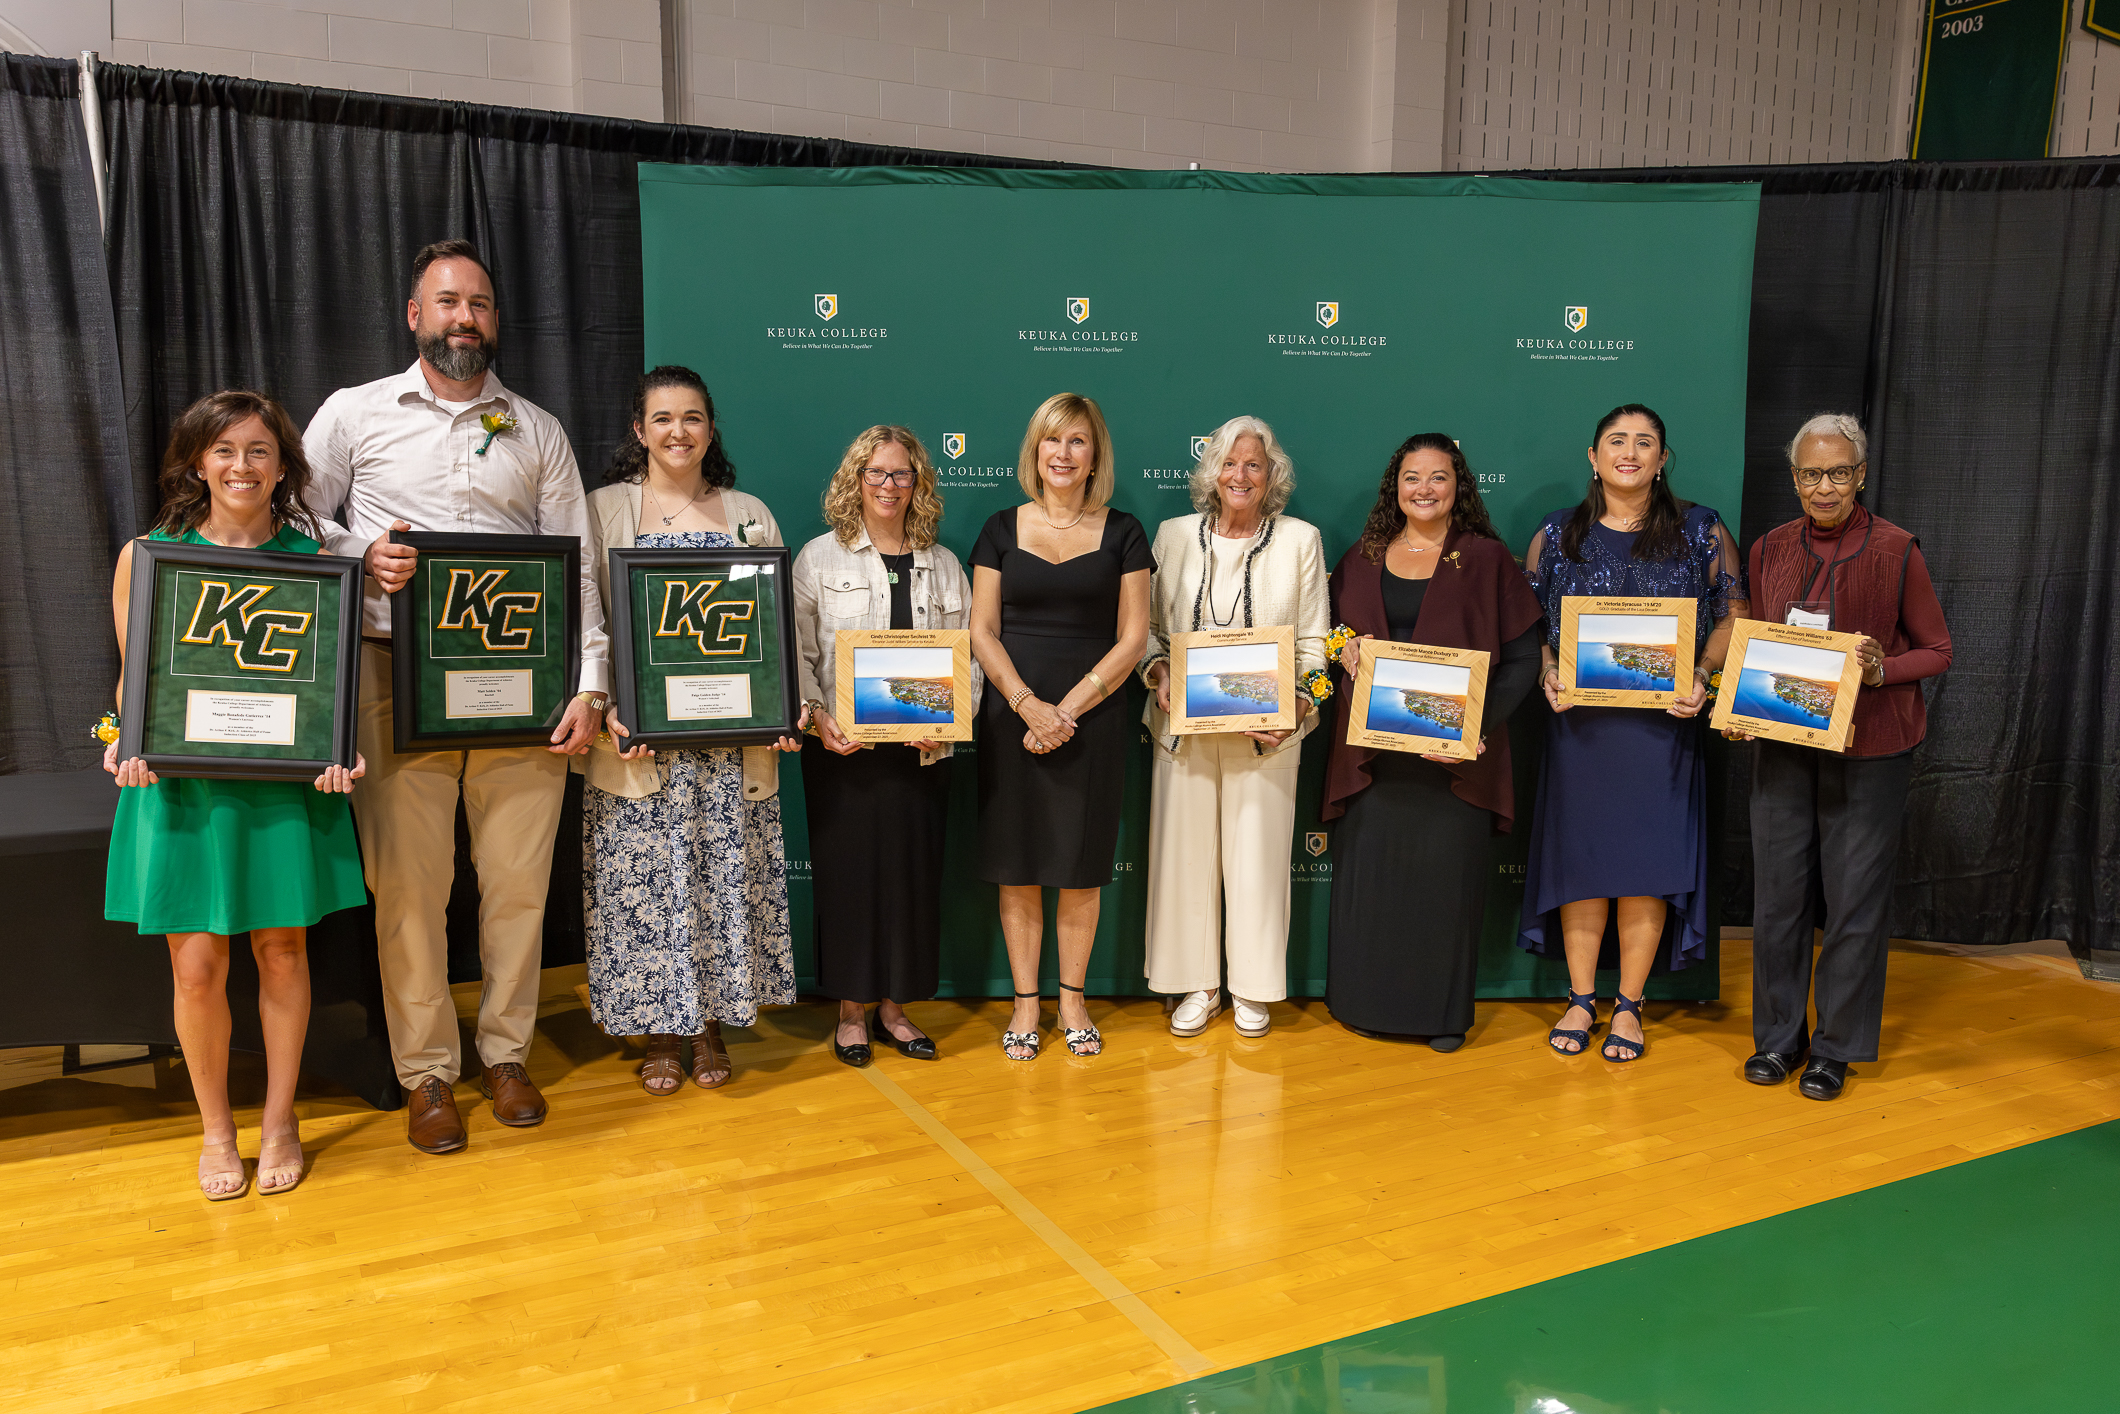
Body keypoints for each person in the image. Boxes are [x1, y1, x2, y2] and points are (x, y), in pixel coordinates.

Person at [301, 239, 608, 1154]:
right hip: (393, 680)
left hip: (523, 687)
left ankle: (506, 1055)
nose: (463, 317)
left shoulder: (537, 430)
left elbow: (578, 567)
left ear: (495, 320)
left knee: (517, 884)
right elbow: (294, 516)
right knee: (409, 889)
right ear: (415, 316)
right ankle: (427, 1072)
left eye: (478, 303)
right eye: (447, 302)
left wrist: (590, 684)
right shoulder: (354, 413)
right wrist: (361, 553)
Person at [103, 391, 368, 1199]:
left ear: (283, 466)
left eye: (259, 451)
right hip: (181, 786)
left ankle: (280, 1120)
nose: (241, 466)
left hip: (282, 787)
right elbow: (134, 679)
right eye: (223, 450)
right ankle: (217, 1130)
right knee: (195, 967)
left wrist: (338, 749)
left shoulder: (320, 564)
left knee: (283, 951)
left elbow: (327, 692)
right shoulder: (147, 556)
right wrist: (127, 741)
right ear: (197, 462)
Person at [580, 365, 804, 1095]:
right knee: (646, 891)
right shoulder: (604, 511)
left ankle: (708, 1024)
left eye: (693, 418)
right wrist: (606, 705)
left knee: (719, 884)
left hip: (729, 753)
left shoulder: (749, 514)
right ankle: (660, 1031)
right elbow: (585, 620)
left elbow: (778, 630)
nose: (679, 431)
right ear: (639, 431)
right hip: (639, 748)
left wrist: (784, 707)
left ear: (711, 429)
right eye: (663, 418)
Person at [1518, 404, 1747, 1062]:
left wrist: (1702, 674)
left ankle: (1630, 1004)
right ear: (1593, 457)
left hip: (1662, 731)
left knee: (1646, 865)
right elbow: (1529, 624)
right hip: (1581, 731)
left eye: (1645, 442)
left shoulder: (1701, 530)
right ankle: (1581, 997)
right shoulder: (1556, 532)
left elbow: (1733, 615)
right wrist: (1547, 670)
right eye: (1616, 441)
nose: (1630, 451)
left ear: (1662, 459)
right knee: (1583, 863)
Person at [1733, 413, 1951, 1101]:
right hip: (1784, 745)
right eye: (1810, 474)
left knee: (1854, 902)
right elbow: (1754, 641)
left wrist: (1882, 670)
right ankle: (1778, 1037)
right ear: (1795, 479)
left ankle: (1835, 1049)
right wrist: (1738, 707)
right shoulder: (1768, 548)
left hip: (1871, 748)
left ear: (1859, 475)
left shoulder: (1897, 549)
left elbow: (1939, 650)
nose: (1823, 486)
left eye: (1837, 473)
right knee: (1779, 897)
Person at [1323, 434, 1545, 1049]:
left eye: (1438, 477)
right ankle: (1361, 1003)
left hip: (1452, 764)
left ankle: (1439, 1018)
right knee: (1375, 887)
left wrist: (1476, 729)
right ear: (1394, 487)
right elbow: (1329, 635)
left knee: (1443, 893)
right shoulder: (1362, 556)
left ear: (1458, 486)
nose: (1424, 489)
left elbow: (1524, 659)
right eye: (1412, 477)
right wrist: (1346, 649)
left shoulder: (1486, 558)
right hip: (1375, 761)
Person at [969, 393, 1153, 1060]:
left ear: (1095, 454)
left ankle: (1072, 1000)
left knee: (1080, 867)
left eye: (1078, 441)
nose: (1064, 453)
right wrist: (1027, 705)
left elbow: (1134, 638)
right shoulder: (998, 528)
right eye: (1053, 440)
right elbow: (981, 631)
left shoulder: (1125, 532)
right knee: (1017, 865)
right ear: (1035, 451)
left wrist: (1066, 711)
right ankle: (1026, 1004)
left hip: (1092, 719)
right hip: (1010, 716)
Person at [792, 425, 980, 1066]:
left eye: (901, 474)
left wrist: (951, 719)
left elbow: (971, 658)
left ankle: (895, 1010)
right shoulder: (819, 559)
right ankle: (851, 1012)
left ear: (917, 482)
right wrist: (818, 717)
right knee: (849, 881)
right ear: (856, 479)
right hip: (844, 753)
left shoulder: (945, 564)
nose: (889, 485)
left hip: (922, 755)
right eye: (876, 473)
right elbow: (799, 655)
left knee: (910, 881)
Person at [1138, 416, 1327, 1039]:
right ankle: (1197, 985)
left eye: (1254, 464)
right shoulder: (1172, 536)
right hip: (1183, 730)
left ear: (1271, 476)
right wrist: (1159, 672)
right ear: (1211, 471)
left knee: (1259, 863)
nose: (1240, 475)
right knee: (1183, 861)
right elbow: (1147, 632)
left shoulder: (1300, 540)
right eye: (1229, 463)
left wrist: (1296, 705)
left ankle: (1251, 986)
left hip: (1267, 737)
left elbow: (1315, 645)